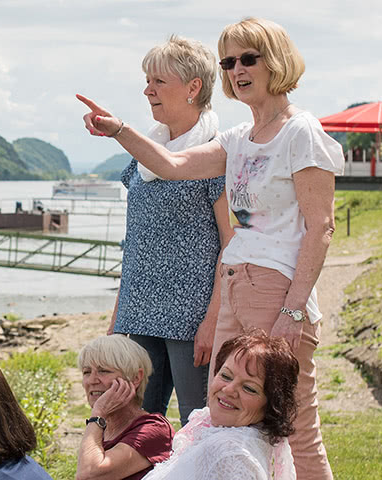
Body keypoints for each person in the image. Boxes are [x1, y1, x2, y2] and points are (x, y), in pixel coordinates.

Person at [78, 17, 343, 479]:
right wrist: (118, 128)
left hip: (277, 288)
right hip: (236, 285)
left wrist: (295, 310)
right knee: (220, 419)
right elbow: (173, 163)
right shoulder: (238, 139)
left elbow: (321, 227)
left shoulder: (301, 132)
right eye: (229, 61)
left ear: (275, 61)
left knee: (293, 424)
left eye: (248, 58)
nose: (237, 69)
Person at [106, 34, 230, 428]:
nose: (147, 90)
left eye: (158, 81)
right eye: (147, 80)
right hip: (139, 312)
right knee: (136, 425)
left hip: (190, 317)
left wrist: (214, 318)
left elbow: (233, 242)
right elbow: (135, 244)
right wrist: (117, 316)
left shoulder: (217, 156)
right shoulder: (142, 158)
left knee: (197, 423)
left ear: (193, 87)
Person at [143, 333, 299, 480]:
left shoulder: (232, 455)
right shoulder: (217, 430)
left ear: (271, 404)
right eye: (225, 376)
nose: (229, 389)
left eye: (249, 388)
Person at [75, 335, 175, 480]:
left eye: (104, 371)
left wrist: (98, 415)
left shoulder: (154, 429)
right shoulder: (102, 429)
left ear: (135, 378)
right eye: (86, 372)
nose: (92, 380)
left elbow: (89, 475)